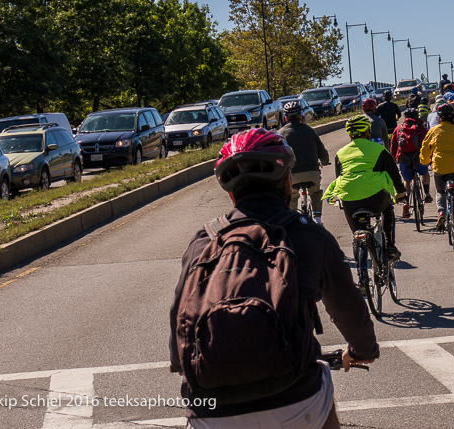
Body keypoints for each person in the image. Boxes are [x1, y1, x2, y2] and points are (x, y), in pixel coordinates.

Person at [170, 128, 380, 429]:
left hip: (211, 409)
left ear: (231, 192)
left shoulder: (204, 240)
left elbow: (179, 316)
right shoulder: (309, 234)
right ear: (286, 181)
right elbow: (347, 307)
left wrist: (185, 364)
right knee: (320, 386)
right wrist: (363, 350)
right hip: (294, 399)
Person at [323, 115, 406, 269]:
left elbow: (339, 177)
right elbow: (394, 173)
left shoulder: (340, 154)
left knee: (358, 235)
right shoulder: (379, 149)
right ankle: (390, 247)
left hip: (350, 199)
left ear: (349, 134)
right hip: (376, 198)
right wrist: (401, 192)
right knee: (388, 210)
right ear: (368, 131)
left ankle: (362, 276)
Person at [420, 103, 454, 230]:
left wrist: (425, 161)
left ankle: (441, 213)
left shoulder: (433, 131)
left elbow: (425, 149)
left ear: (439, 118)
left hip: (439, 166)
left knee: (440, 191)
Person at [278, 101, 330, 224]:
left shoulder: (280, 134)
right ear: (301, 116)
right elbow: (322, 152)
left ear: (285, 118)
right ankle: (317, 218)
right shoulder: (309, 130)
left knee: (291, 196)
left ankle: (292, 221)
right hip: (312, 172)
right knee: (316, 192)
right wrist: (325, 161)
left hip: (292, 175)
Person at [390, 108, 433, 218]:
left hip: (404, 158)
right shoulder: (420, 128)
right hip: (418, 157)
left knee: (407, 181)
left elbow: (393, 145)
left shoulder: (399, 128)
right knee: (425, 174)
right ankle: (427, 194)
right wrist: (430, 157)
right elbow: (428, 142)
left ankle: (406, 202)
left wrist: (395, 158)